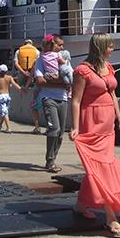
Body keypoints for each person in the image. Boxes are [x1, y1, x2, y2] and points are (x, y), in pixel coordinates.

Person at [70, 33, 120, 237]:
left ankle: (80, 204)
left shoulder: (108, 68)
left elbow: (113, 94)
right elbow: (76, 100)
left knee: (98, 169)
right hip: (90, 123)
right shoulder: (82, 71)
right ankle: (111, 217)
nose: (112, 49)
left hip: (107, 125)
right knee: (101, 170)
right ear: (100, 47)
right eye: (109, 46)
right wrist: (74, 127)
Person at [35, 34, 69, 172]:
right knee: (54, 128)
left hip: (63, 98)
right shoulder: (41, 60)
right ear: (51, 44)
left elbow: (69, 77)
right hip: (48, 98)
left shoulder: (63, 58)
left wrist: (57, 81)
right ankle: (50, 161)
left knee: (61, 132)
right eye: (59, 45)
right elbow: (40, 81)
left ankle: (53, 158)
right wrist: (61, 84)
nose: (62, 47)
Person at [14, 39, 42, 133]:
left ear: (24, 43)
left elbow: (16, 63)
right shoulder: (36, 51)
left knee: (21, 86)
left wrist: (23, 72)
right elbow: (36, 64)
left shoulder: (19, 50)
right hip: (33, 74)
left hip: (22, 73)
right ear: (32, 44)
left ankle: (37, 126)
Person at [0, 64, 21, 132]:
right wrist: (20, 89)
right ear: (7, 71)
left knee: (4, 113)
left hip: (1, 97)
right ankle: (0, 125)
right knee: (4, 112)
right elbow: (15, 84)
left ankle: (8, 128)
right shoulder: (9, 78)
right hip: (7, 96)